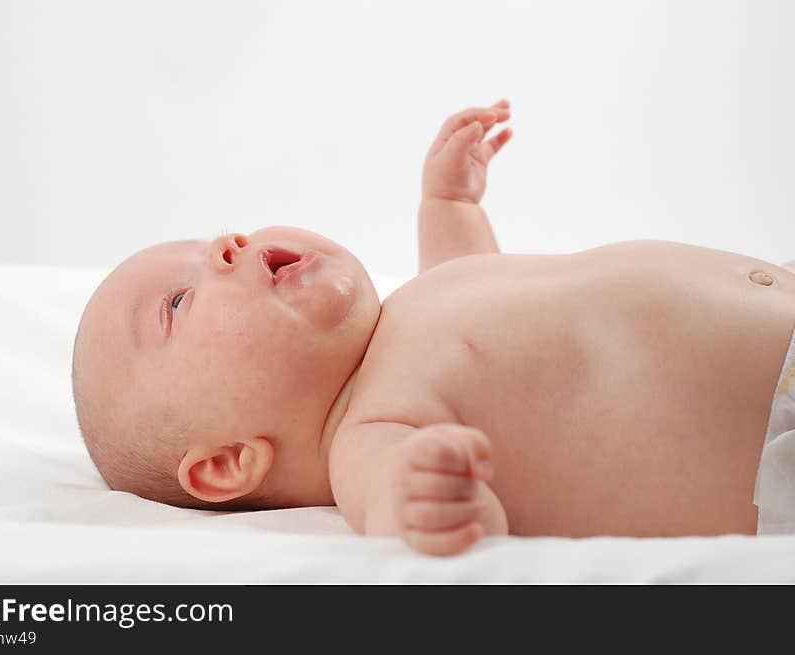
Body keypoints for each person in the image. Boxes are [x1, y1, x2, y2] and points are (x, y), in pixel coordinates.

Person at [72, 98, 795, 555]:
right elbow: (399, 506)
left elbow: (476, 282)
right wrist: (426, 497)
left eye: (211, 240)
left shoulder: (410, 312)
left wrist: (448, 202)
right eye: (178, 301)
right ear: (229, 462)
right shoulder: (370, 439)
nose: (228, 245)